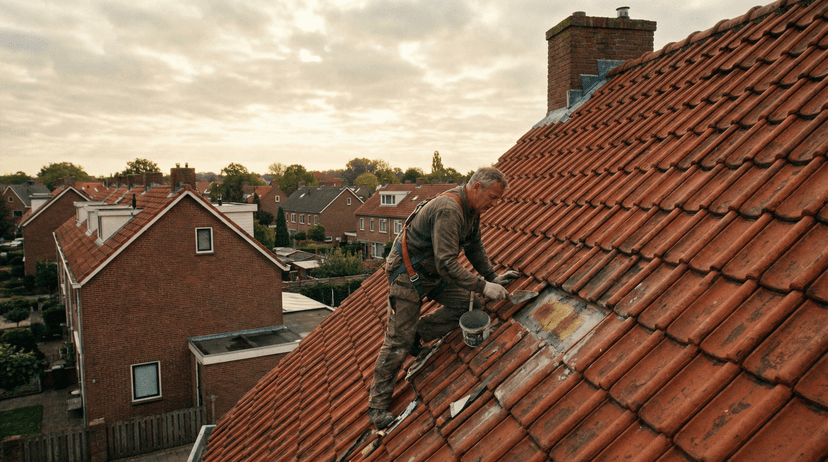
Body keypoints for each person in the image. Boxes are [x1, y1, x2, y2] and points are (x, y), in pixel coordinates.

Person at [367, 167, 519, 429]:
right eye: (493, 197)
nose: (494, 204)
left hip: (432, 273)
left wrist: (492, 277)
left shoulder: (472, 211)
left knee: (468, 305)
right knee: (398, 341)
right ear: (477, 188)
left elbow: (474, 247)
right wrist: (484, 286)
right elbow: (447, 263)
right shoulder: (449, 210)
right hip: (407, 275)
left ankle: (418, 333)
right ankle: (377, 406)